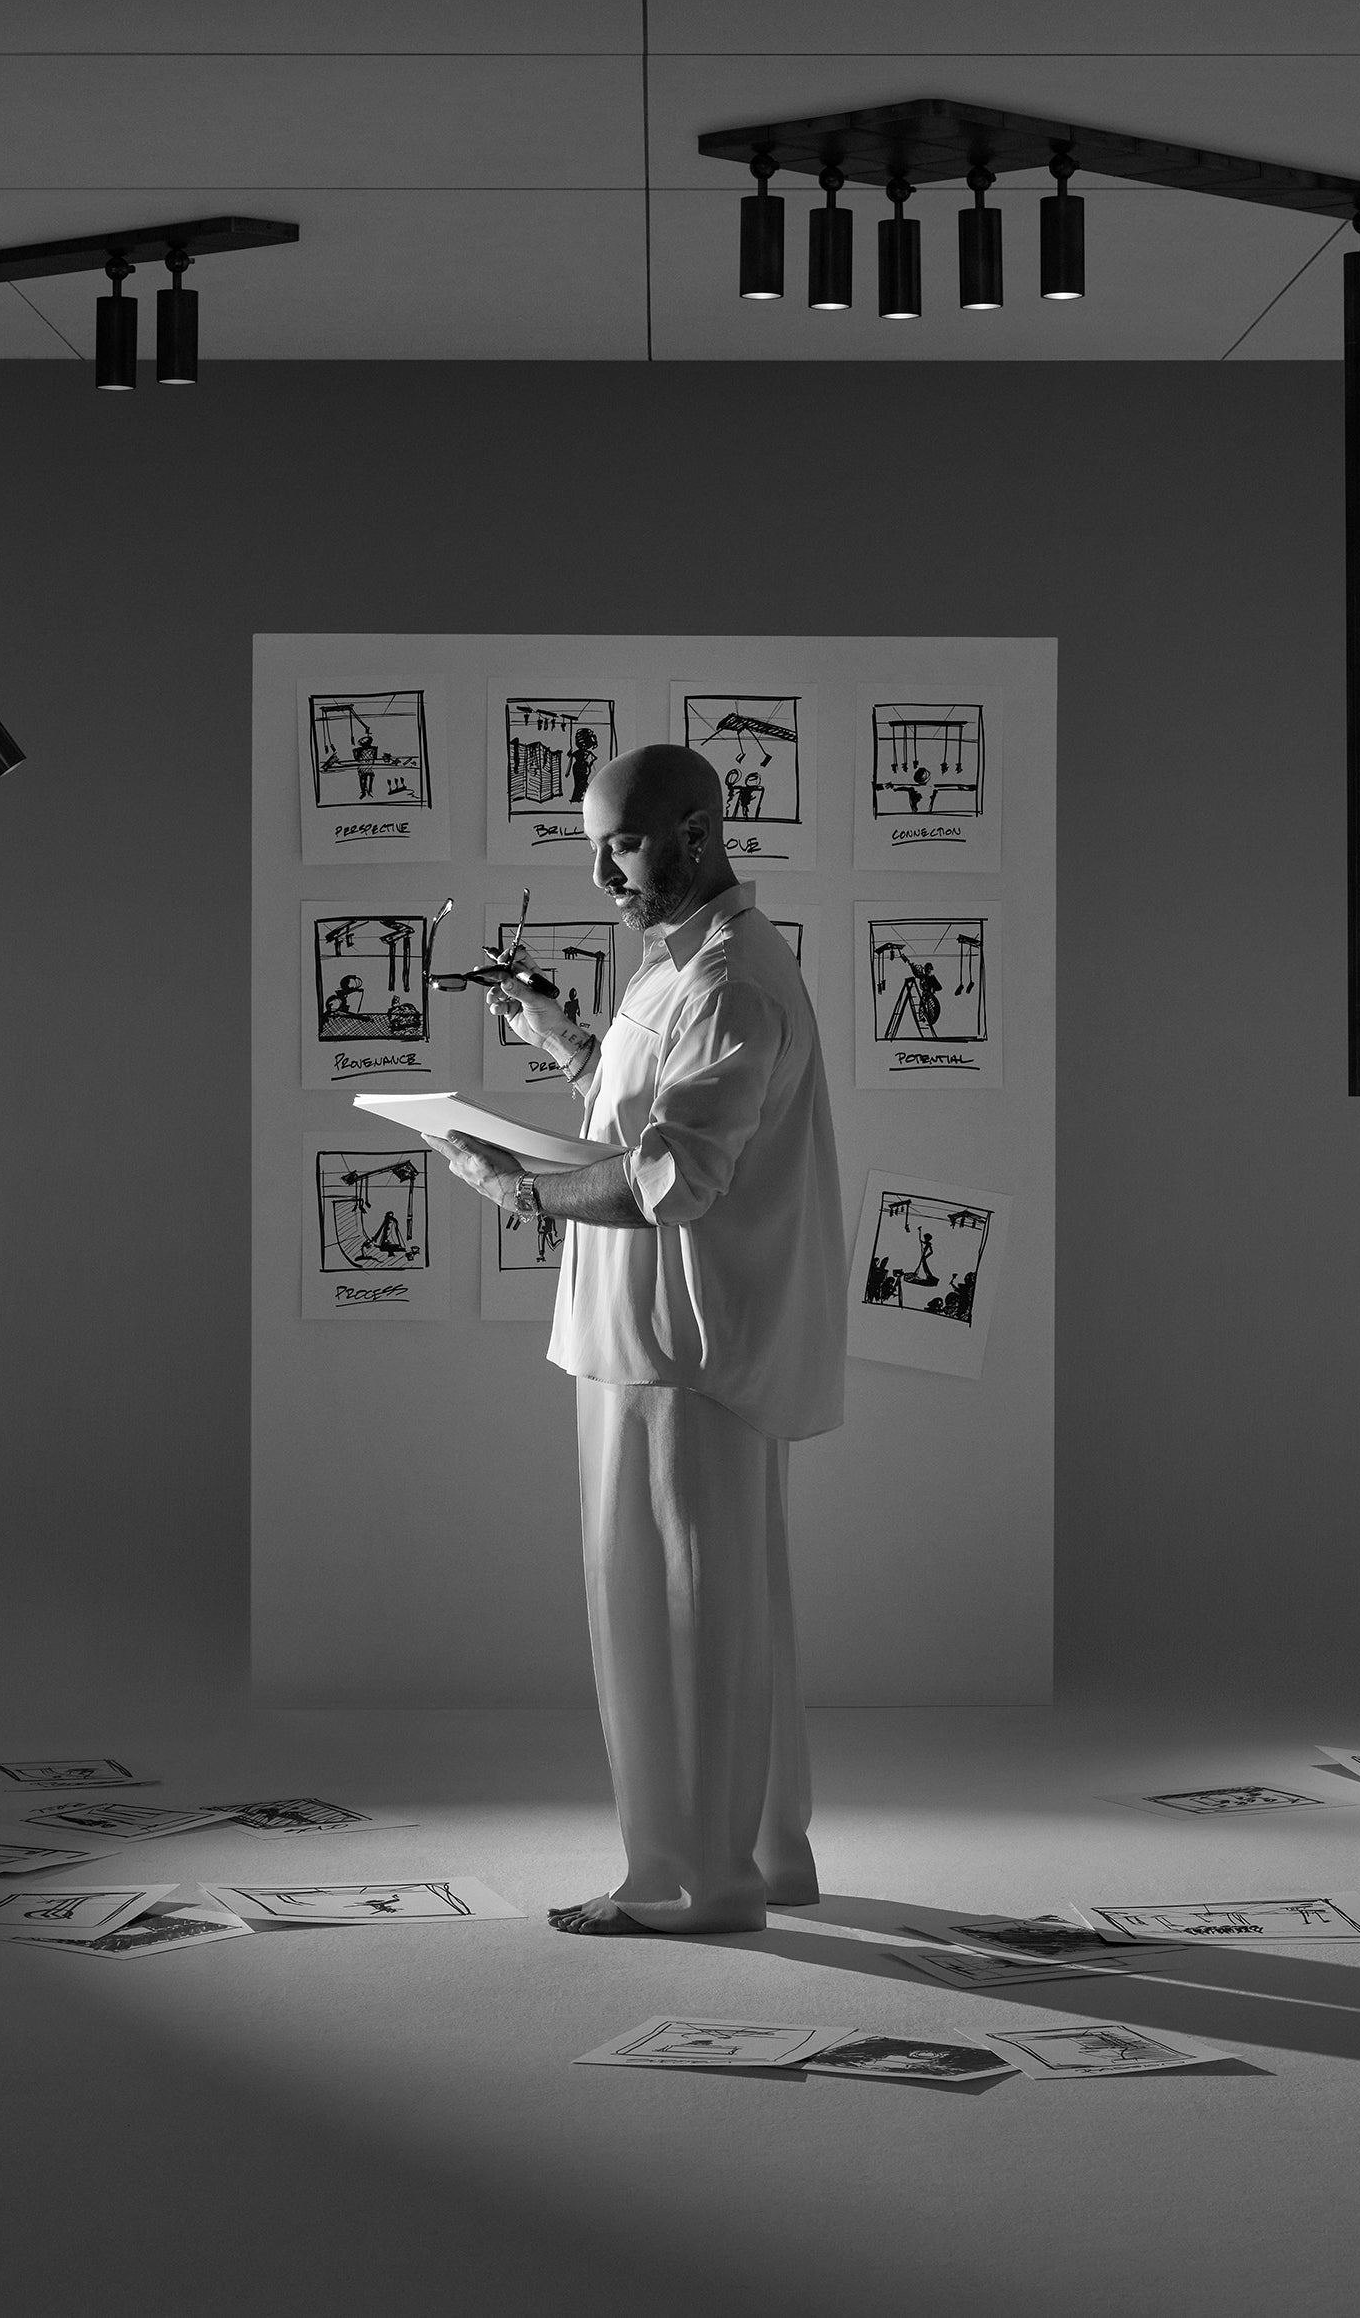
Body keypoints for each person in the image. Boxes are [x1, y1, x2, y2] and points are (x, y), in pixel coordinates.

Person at [432, 743, 845, 1936]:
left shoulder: (727, 982)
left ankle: (696, 1885)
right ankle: (761, 1858)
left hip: (681, 1349)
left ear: (695, 833)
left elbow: (672, 1176)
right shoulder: (684, 969)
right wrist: (563, 1042)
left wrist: (514, 1190)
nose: (599, 873)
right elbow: (645, 1118)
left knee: (677, 1616)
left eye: (617, 845)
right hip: (649, 1338)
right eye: (592, 847)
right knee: (718, 1606)